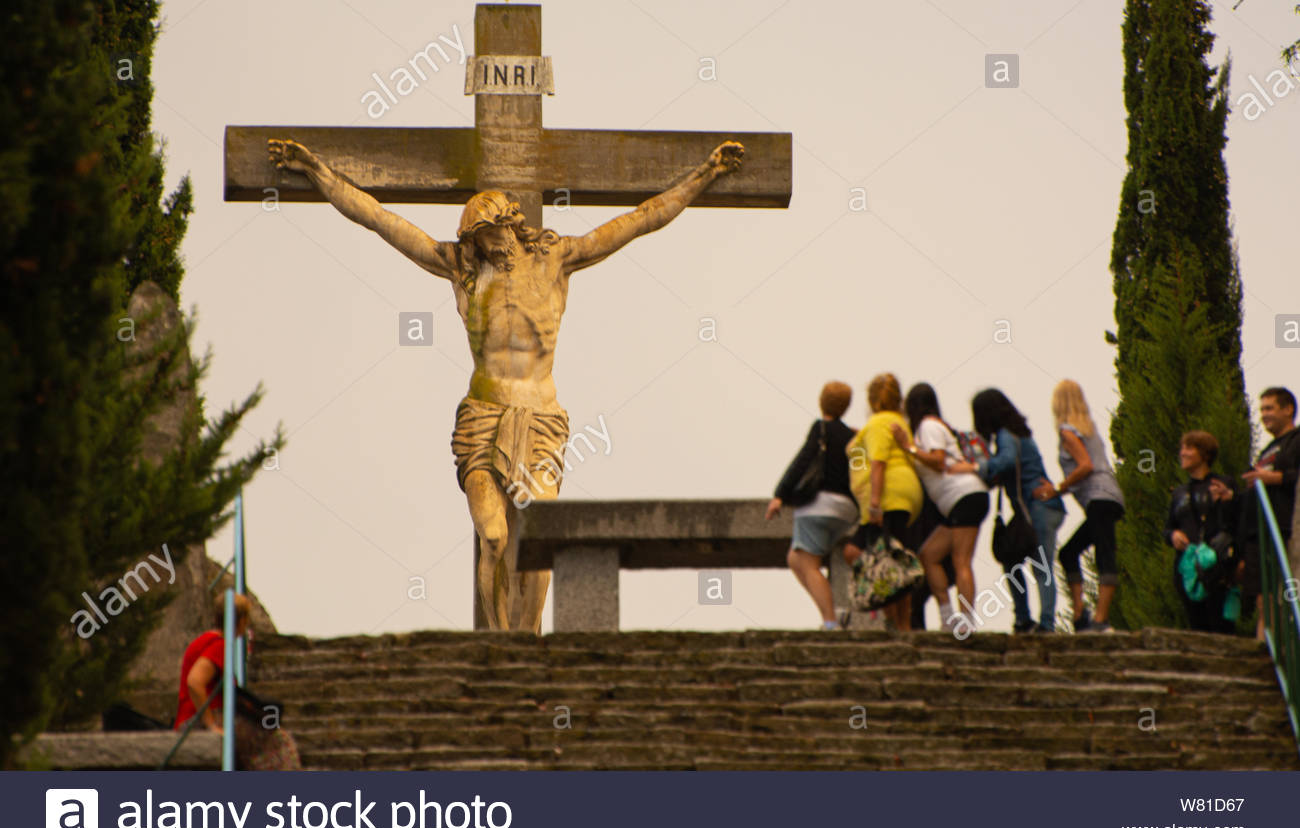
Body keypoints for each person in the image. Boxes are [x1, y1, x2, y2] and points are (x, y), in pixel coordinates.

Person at [268, 137, 745, 632]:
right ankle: (498, 642)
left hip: (540, 421)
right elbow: (378, 219)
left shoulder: (557, 259)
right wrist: (317, 171)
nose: (480, 245)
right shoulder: (462, 267)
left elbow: (641, 219)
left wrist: (704, 174)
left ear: (508, 225)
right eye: (473, 238)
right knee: (493, 537)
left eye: (485, 234)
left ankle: (527, 638)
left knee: (538, 533)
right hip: (482, 418)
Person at [889, 383, 989, 635]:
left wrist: (908, 447)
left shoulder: (929, 426)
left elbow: (938, 460)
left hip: (964, 496)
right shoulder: (932, 428)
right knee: (929, 555)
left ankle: (966, 621)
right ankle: (947, 617)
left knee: (961, 561)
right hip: (958, 502)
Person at [1033, 380, 1125, 633]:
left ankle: (1100, 620)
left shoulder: (1067, 432)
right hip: (1108, 497)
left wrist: (1058, 488)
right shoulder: (1089, 429)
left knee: (1104, 554)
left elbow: (1085, 466)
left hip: (1098, 498)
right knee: (1069, 553)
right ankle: (1080, 614)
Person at [767, 381, 859, 630]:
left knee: (809, 565)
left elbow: (803, 459)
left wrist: (780, 495)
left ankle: (832, 621)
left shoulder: (820, 429)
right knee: (795, 559)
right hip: (846, 510)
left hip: (818, 506)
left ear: (821, 401)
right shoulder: (853, 435)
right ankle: (831, 614)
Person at [972, 388, 1065, 633]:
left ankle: (1045, 624)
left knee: (1041, 565)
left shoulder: (1006, 435)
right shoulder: (1017, 433)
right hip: (1034, 509)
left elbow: (1004, 461)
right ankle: (1023, 618)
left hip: (1039, 507)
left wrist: (976, 465)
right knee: (1013, 560)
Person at [175, 592, 301, 770]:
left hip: (188, 719)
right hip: (199, 720)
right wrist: (210, 724)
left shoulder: (204, 641)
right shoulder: (220, 645)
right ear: (240, 620)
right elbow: (194, 682)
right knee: (280, 740)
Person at [845, 373, 923, 631]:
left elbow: (878, 462)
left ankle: (897, 621)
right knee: (894, 557)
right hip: (906, 494)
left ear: (870, 400)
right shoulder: (899, 422)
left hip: (889, 495)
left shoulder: (879, 423)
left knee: (874, 556)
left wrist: (875, 503)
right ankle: (899, 621)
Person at [1236, 386, 1300, 640]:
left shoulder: (1296, 440)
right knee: (1264, 595)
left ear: (1288, 409)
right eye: (1262, 409)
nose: (1264, 415)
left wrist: (1275, 478)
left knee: (1280, 591)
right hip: (1260, 531)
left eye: (1270, 408)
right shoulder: (1267, 450)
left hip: (1285, 527)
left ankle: (1281, 649)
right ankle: (1265, 645)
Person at [1166, 431, 1239, 633]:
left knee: (1221, 628)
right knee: (1196, 626)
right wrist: (1172, 536)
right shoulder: (1179, 492)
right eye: (1182, 448)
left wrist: (1227, 500)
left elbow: (1235, 522)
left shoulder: (1223, 483)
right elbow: (1168, 527)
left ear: (1205, 454)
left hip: (1216, 566)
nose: (1183, 453)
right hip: (1187, 568)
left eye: (1189, 448)